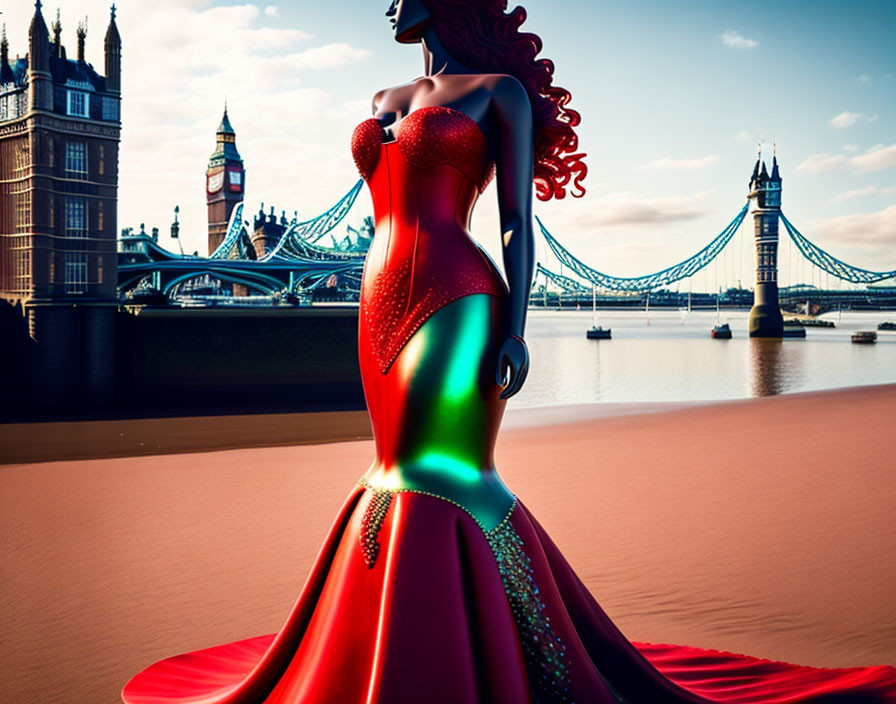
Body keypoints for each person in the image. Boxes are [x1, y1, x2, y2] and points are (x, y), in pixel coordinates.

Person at [122, 1, 896, 702]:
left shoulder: (502, 93)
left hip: (460, 298)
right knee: (389, 468)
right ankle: (386, 642)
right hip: (374, 296)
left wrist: (520, 326)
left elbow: (518, 223)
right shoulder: (382, 102)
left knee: (445, 469)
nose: (387, 2)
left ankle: (491, 652)